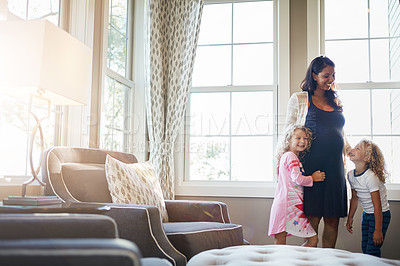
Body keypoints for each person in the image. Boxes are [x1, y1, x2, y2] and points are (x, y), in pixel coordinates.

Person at [283, 55, 351, 248]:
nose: (331, 80)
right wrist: (284, 164)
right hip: (311, 168)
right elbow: (288, 134)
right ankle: (308, 261)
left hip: (336, 168)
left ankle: (328, 260)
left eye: (333, 75)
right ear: (314, 75)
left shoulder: (335, 101)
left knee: (332, 220)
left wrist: (351, 151)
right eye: (326, 75)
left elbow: (341, 134)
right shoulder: (299, 99)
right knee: (312, 221)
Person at [269, 125, 326, 246]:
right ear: (288, 140)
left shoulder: (288, 157)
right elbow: (298, 179)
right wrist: (313, 178)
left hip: (290, 206)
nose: (302, 141)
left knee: (283, 240)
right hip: (287, 206)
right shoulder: (290, 156)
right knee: (309, 239)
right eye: (298, 138)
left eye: (305, 138)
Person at [346, 139, 391, 257]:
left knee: (372, 250)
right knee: (365, 247)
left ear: (367, 158)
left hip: (381, 214)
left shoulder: (370, 177)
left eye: (358, 148)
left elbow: (378, 206)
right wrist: (350, 217)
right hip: (367, 214)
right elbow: (354, 198)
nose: (352, 149)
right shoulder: (350, 175)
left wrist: (378, 230)